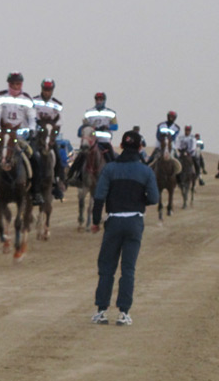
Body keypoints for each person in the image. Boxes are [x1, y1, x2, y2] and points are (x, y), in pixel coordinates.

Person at [90, 130, 158, 326]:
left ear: (121, 146)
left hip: (114, 221)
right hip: (135, 222)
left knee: (106, 268)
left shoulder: (110, 169)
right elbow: (153, 198)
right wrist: (139, 200)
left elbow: (99, 197)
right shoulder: (146, 171)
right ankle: (124, 313)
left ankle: (102, 311)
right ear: (139, 148)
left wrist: (95, 221)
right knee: (128, 269)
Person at [0, 72, 45, 206]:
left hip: (20, 138)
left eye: (17, 83)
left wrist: (31, 130)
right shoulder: (1, 97)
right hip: (4, 136)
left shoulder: (27, 99)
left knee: (35, 158)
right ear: (9, 84)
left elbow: (32, 118)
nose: (15, 86)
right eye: (12, 83)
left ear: (21, 84)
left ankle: (36, 192)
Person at [66, 92, 118, 186]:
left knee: (112, 159)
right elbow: (84, 125)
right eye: (97, 99)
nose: (99, 101)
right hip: (91, 142)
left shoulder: (111, 113)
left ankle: (115, 179)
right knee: (80, 157)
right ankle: (74, 176)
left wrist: (106, 126)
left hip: (104, 141)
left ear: (104, 100)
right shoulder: (89, 112)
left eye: (101, 99)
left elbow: (115, 126)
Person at [32, 78, 65, 200]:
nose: (47, 92)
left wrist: (53, 135)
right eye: (45, 90)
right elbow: (30, 115)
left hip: (49, 136)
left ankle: (57, 182)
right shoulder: (34, 101)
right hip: (37, 135)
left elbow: (60, 121)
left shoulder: (57, 104)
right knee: (31, 154)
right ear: (41, 89)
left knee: (57, 156)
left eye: (49, 90)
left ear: (52, 90)